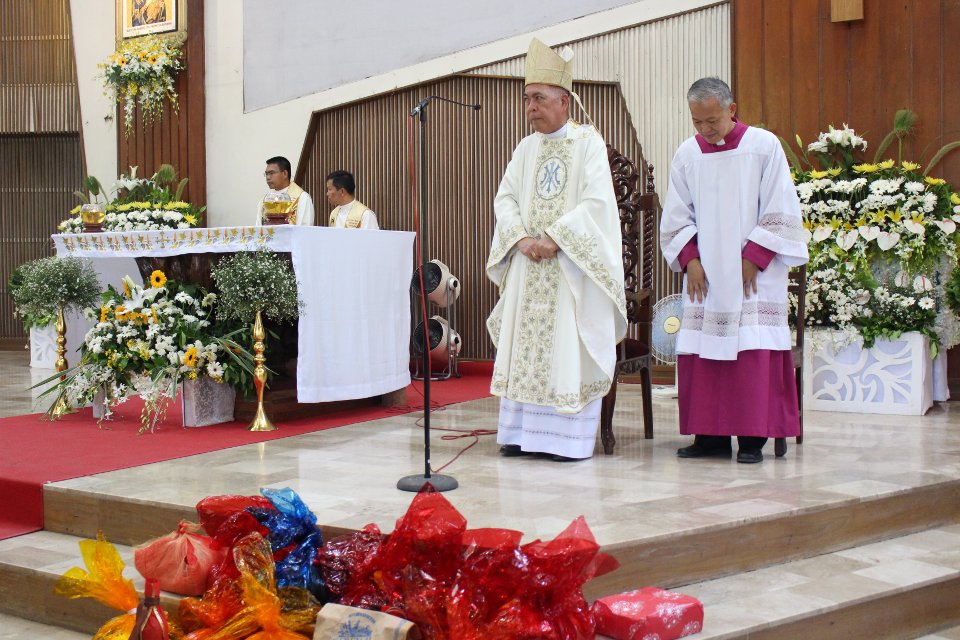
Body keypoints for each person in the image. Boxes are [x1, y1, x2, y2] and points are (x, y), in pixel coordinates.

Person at [485, 38, 626, 462]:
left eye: (539, 98)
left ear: (564, 101)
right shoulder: (526, 148)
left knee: (566, 343)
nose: (530, 106)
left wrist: (557, 237)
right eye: (527, 98)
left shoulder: (589, 144)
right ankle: (520, 434)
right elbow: (505, 198)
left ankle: (565, 441)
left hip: (570, 267)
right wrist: (522, 239)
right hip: (530, 265)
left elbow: (598, 204)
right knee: (524, 345)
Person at [659, 77, 809, 464]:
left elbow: (780, 205)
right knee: (704, 350)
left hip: (753, 274)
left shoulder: (763, 146)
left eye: (712, 120)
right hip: (705, 276)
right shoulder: (687, 154)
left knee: (750, 351)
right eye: (698, 122)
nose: (706, 130)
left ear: (732, 109)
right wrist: (690, 259)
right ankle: (708, 437)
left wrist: (754, 256)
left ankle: (752, 440)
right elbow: (677, 214)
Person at [255, 156, 315, 226]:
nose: (268, 177)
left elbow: (305, 230)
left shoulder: (302, 198)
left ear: (285, 174)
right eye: (266, 174)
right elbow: (259, 229)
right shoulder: (265, 201)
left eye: (271, 173)